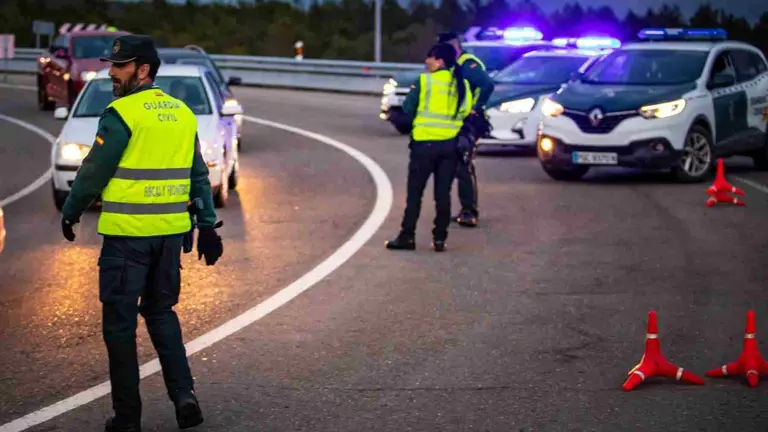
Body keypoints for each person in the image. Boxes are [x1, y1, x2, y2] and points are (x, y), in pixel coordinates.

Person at [59, 34, 224, 432]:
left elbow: (93, 171)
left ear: (143, 69)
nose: (111, 73)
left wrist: (71, 210)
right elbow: (198, 175)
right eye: (112, 65)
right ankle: (184, 396)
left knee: (119, 327)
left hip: (127, 239)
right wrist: (206, 225)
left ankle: (128, 419)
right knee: (161, 314)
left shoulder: (122, 114)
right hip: (169, 237)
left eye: (120, 66)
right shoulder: (182, 114)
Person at [385, 43, 473, 252]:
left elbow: (407, 109)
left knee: (415, 194)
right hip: (450, 147)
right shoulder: (463, 85)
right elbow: (465, 112)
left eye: (430, 58)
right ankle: (440, 239)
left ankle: (407, 236)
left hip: (424, 146)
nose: (427, 62)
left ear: (440, 61)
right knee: (443, 195)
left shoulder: (425, 81)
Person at [437, 31, 495, 228]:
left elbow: (487, 85)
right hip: (456, 122)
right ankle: (465, 208)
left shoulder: (467, 63)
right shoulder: (453, 65)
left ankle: (470, 211)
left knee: (464, 164)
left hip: (469, 122)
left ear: (454, 47)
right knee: (456, 165)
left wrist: (475, 108)